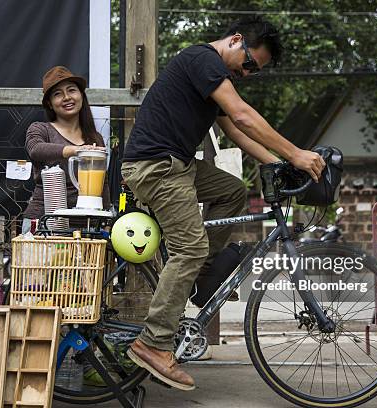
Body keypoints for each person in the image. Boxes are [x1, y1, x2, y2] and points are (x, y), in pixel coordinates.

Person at [122, 17, 326, 390]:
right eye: (249, 64)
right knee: (190, 248)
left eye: (255, 72)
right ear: (235, 41)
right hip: (155, 167)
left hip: (178, 164)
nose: (248, 73)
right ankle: (152, 343)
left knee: (232, 192)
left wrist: (277, 164)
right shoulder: (203, 60)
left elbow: (234, 130)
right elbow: (243, 115)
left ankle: (197, 277)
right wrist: (296, 154)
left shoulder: (214, 79)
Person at [22, 66, 108, 233]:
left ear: (81, 95)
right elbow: (35, 149)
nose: (67, 97)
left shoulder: (95, 138)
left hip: (85, 225)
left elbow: (102, 183)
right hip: (44, 221)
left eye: (71, 90)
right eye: (58, 94)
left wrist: (106, 219)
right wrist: (75, 150)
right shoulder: (40, 129)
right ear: (49, 104)